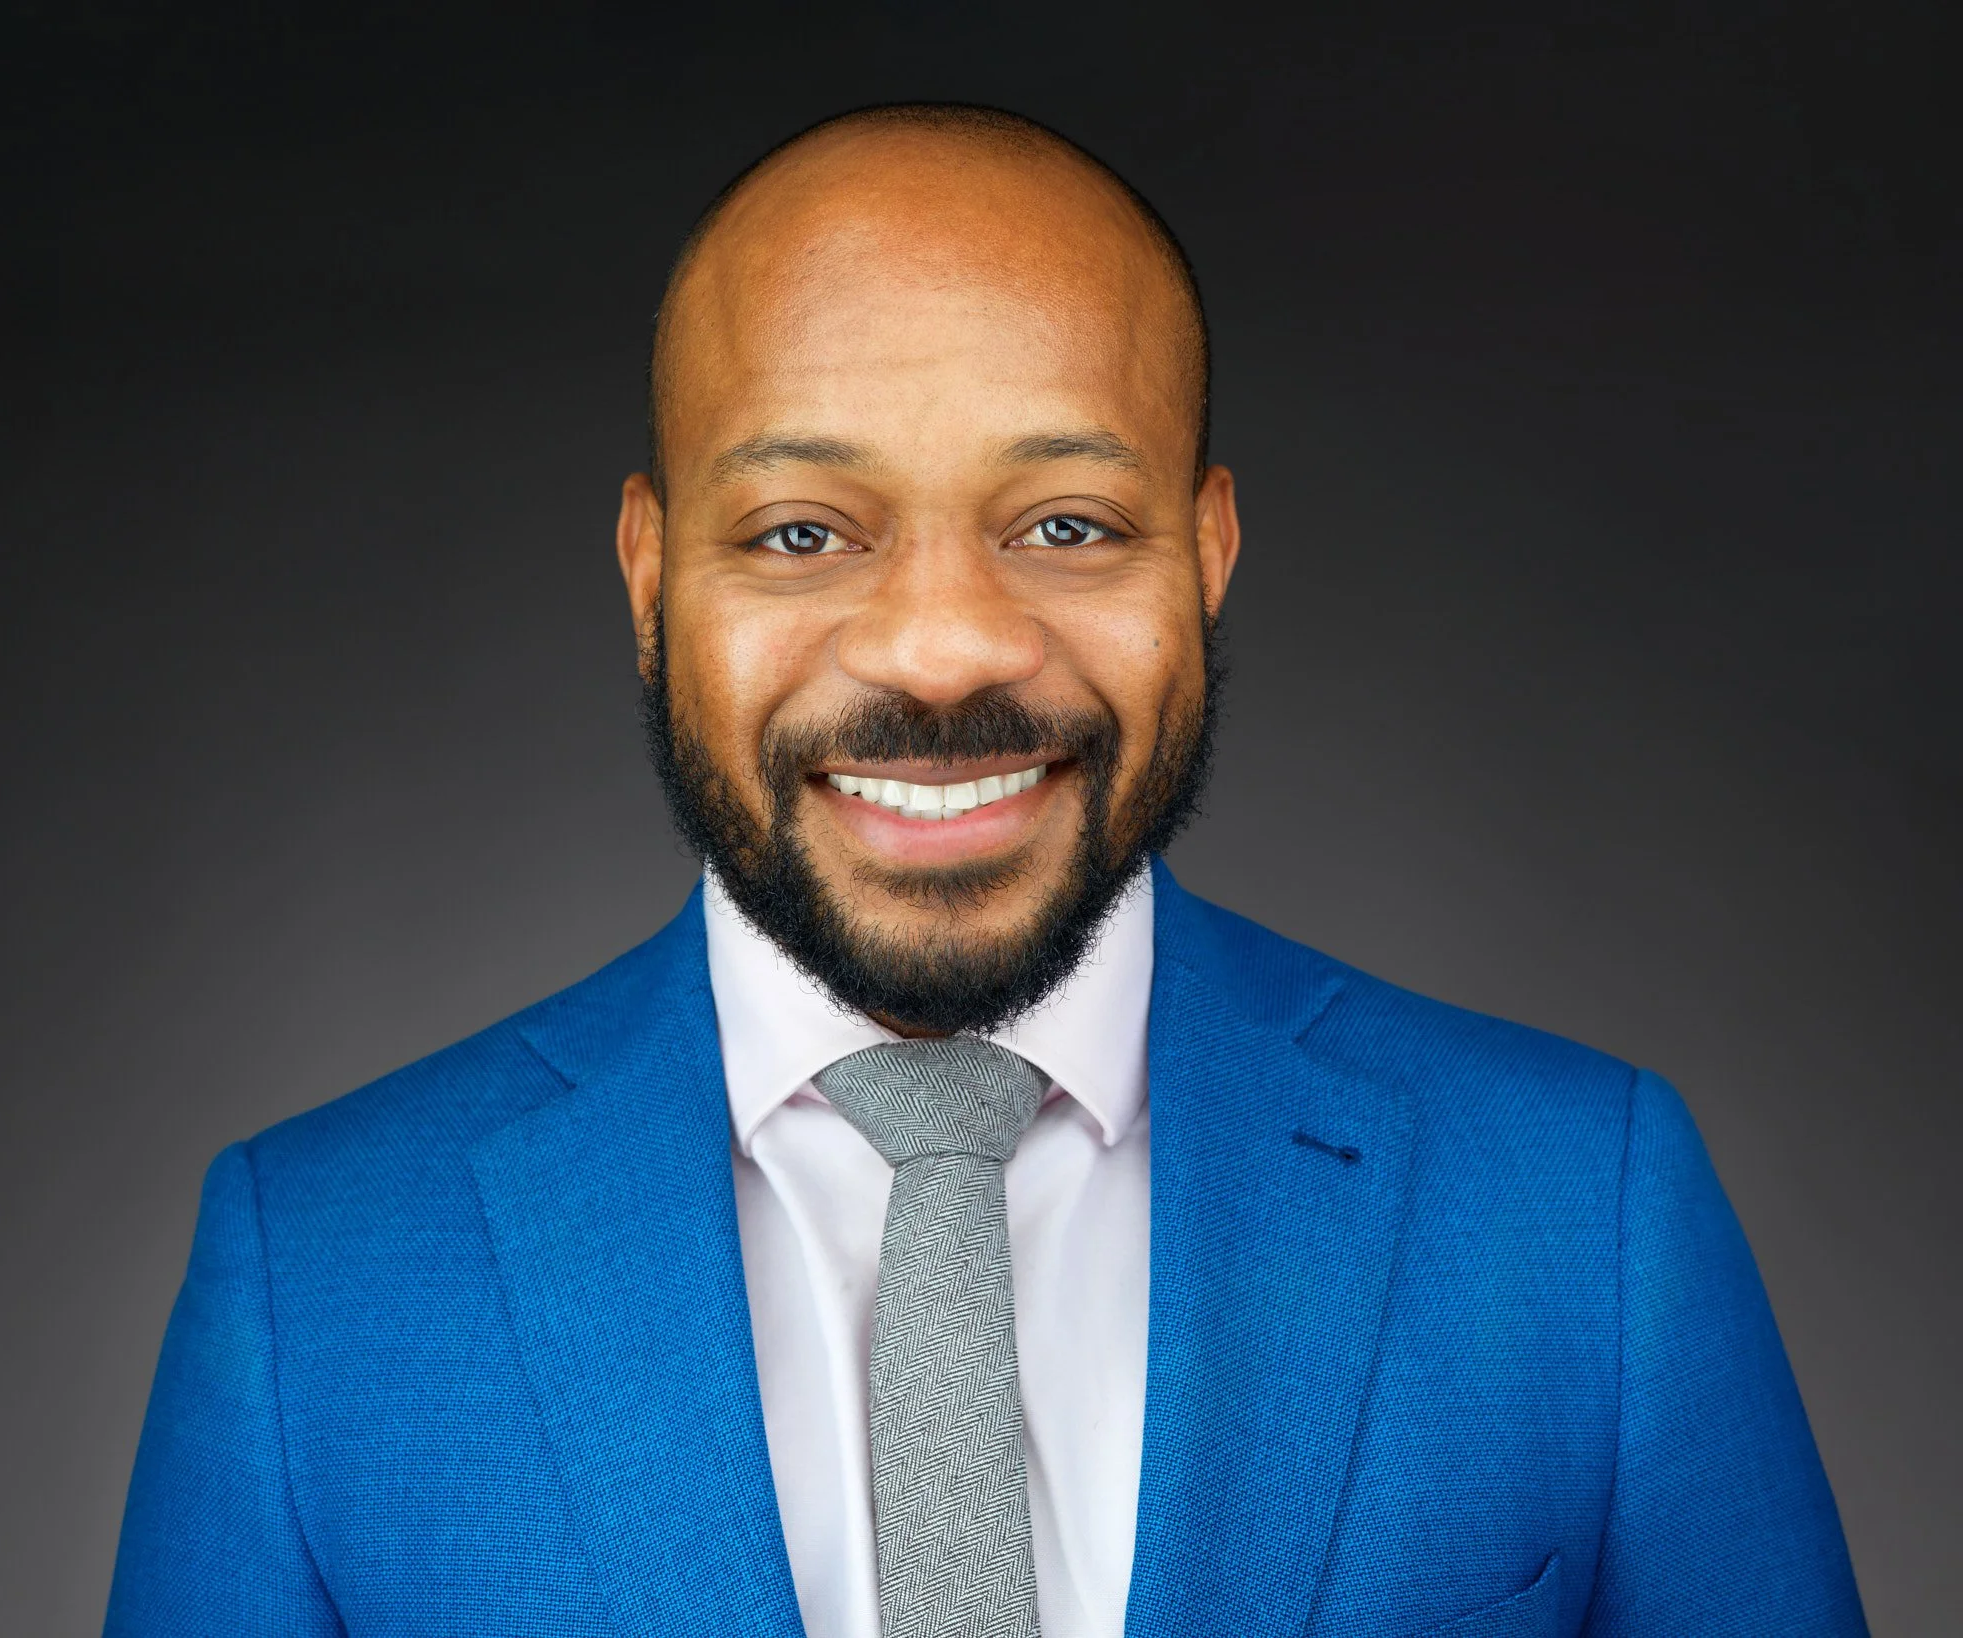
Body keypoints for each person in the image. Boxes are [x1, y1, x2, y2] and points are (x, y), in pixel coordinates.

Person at [105, 104, 1865, 1638]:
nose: (944, 649)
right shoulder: (318, 1276)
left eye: (1067, 526)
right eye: (803, 532)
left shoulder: (1585, 1213)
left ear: (1211, 551)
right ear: (651, 582)